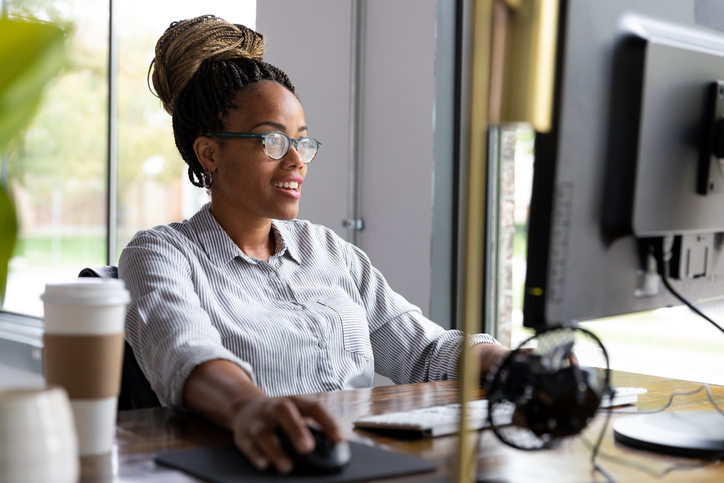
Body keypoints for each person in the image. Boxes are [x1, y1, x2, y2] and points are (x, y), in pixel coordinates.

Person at [119, 15, 511, 474]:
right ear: (209, 153)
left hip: (363, 462)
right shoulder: (160, 255)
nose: (295, 161)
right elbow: (186, 354)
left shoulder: (329, 252)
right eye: (272, 140)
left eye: (302, 144)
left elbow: (424, 353)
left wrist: (503, 360)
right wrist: (250, 407)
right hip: (261, 465)